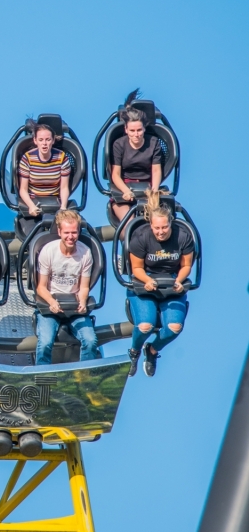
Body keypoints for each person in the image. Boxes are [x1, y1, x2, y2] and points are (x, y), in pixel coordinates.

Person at [126, 191, 194, 378]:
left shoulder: (183, 236)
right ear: (151, 226)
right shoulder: (141, 237)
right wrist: (147, 281)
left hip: (171, 280)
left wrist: (179, 281)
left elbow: (186, 265)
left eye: (164, 227)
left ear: (170, 223)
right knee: (145, 326)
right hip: (145, 280)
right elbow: (136, 268)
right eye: (157, 228)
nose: (161, 232)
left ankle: (152, 350)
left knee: (174, 328)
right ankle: (134, 351)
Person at [34, 209, 101, 365]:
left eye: (74, 232)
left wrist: (82, 302)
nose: (71, 237)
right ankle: (42, 374)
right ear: (59, 231)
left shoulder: (85, 253)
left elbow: (84, 287)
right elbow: (41, 287)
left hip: (74, 304)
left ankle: (85, 375)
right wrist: (51, 302)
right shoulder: (48, 251)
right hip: (51, 304)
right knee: (45, 343)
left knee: (90, 341)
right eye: (67, 232)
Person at [110, 90, 163, 223]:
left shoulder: (153, 143)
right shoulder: (119, 144)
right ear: (126, 130)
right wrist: (125, 191)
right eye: (132, 131)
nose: (136, 134)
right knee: (130, 222)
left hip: (147, 187)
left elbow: (156, 170)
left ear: (144, 129)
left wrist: (154, 191)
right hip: (124, 187)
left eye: (139, 130)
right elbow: (115, 174)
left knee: (156, 220)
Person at [18, 122, 72, 236]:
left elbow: (64, 187)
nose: (44, 144)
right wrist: (31, 206)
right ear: (35, 141)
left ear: (53, 140)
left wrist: (63, 207)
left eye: (48, 140)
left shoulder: (62, 157)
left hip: (54, 202)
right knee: (34, 235)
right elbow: (23, 189)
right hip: (34, 202)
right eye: (41, 140)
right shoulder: (27, 158)